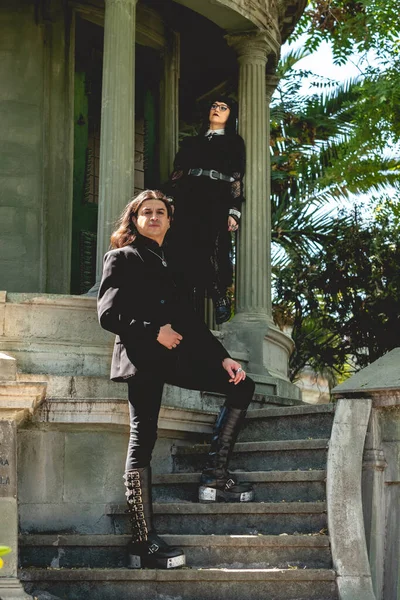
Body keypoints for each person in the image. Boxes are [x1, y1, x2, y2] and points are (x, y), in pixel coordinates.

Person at [97, 189, 255, 570]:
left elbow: (190, 321)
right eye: (146, 212)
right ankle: (142, 541)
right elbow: (108, 315)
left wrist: (223, 358)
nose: (153, 217)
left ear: (169, 220)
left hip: (177, 354)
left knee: (241, 384)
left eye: (160, 212)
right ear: (134, 220)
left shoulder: (172, 262)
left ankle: (214, 478)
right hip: (143, 357)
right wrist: (154, 331)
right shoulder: (121, 257)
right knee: (143, 436)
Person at [163, 96, 245, 324]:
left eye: (223, 108)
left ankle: (218, 296)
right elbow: (178, 172)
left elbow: (237, 177)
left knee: (211, 244)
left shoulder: (234, 142)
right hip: (189, 195)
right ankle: (179, 299)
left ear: (230, 115)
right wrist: (169, 197)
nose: (216, 110)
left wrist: (234, 210)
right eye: (214, 106)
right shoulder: (191, 143)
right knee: (181, 244)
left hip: (216, 196)